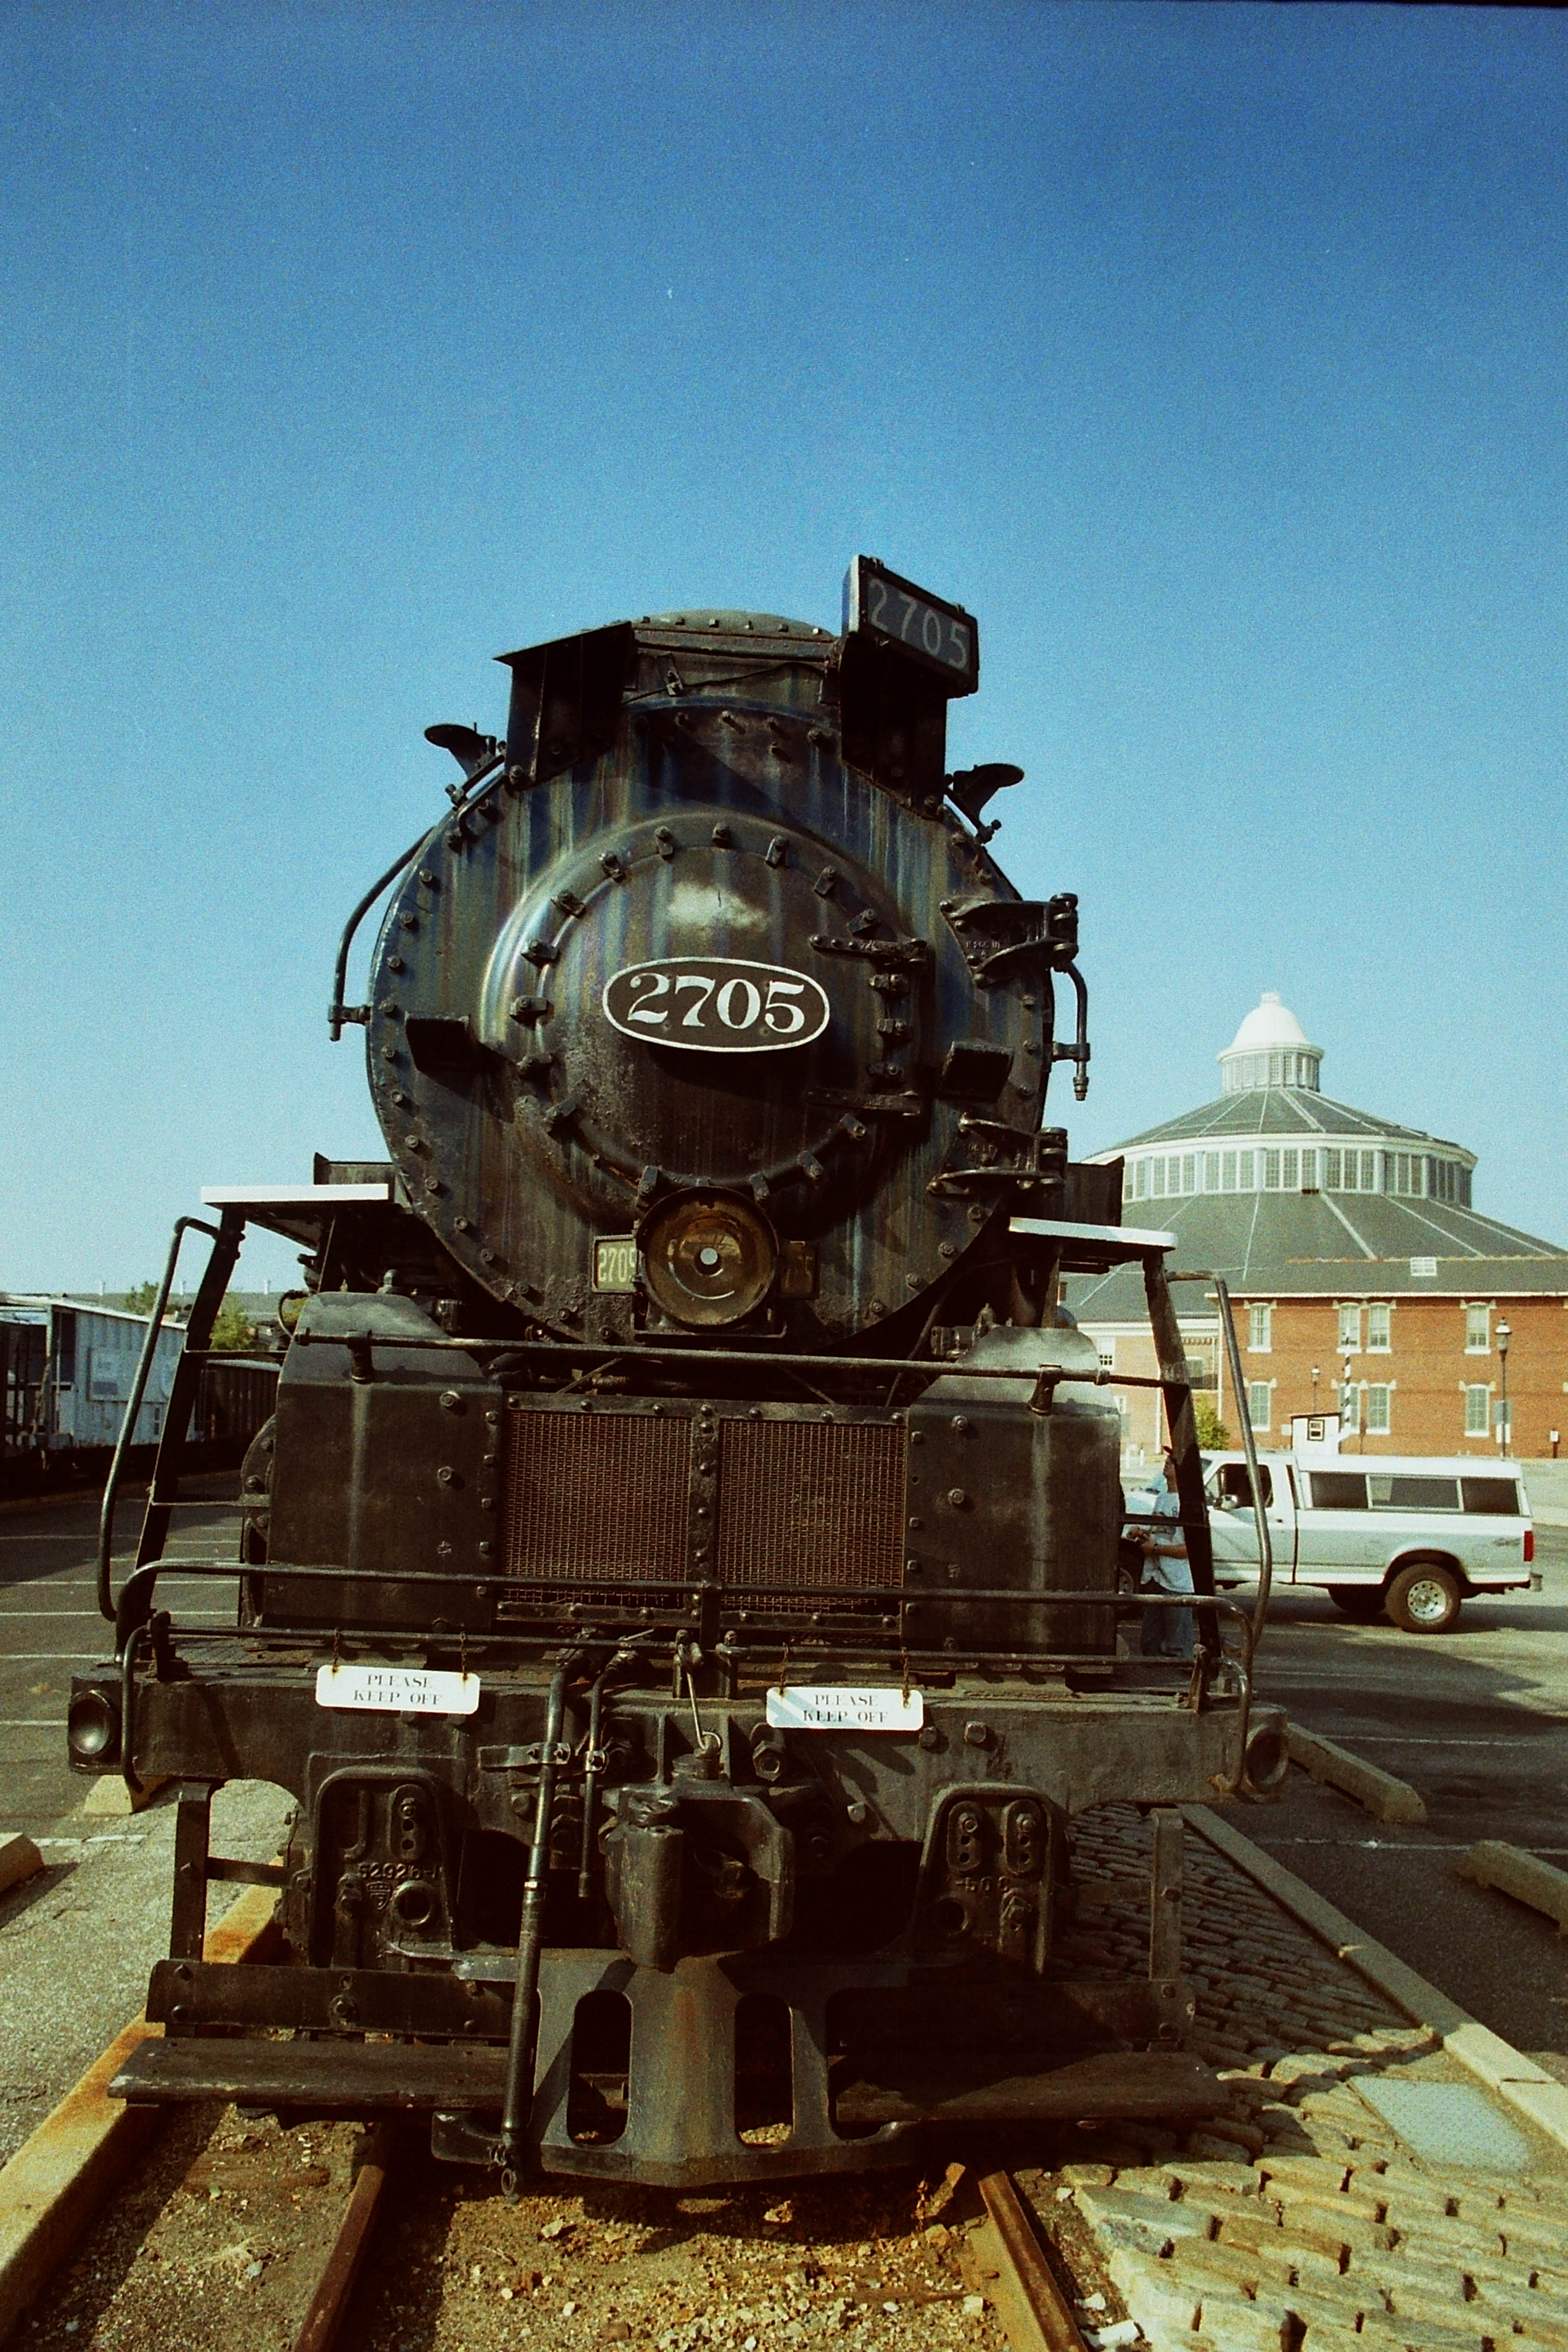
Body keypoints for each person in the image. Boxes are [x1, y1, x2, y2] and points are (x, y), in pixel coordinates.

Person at [1139, 1450, 1195, 1660]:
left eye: (1173, 1461)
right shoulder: (1162, 1497)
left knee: (1177, 1644)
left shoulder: (1186, 1504)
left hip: (1177, 1582)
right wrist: (1143, 1534)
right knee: (1150, 1641)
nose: (1167, 1463)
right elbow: (1160, 1533)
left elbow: (1190, 1549)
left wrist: (1155, 1549)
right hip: (1156, 1577)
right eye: (1167, 1460)